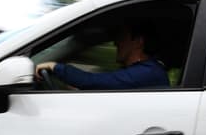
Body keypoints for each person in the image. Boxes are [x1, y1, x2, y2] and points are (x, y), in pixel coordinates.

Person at [35, 20, 169, 90]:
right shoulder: (143, 71)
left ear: (138, 42)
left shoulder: (148, 72)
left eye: (121, 37)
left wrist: (54, 66)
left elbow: (91, 81)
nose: (116, 43)